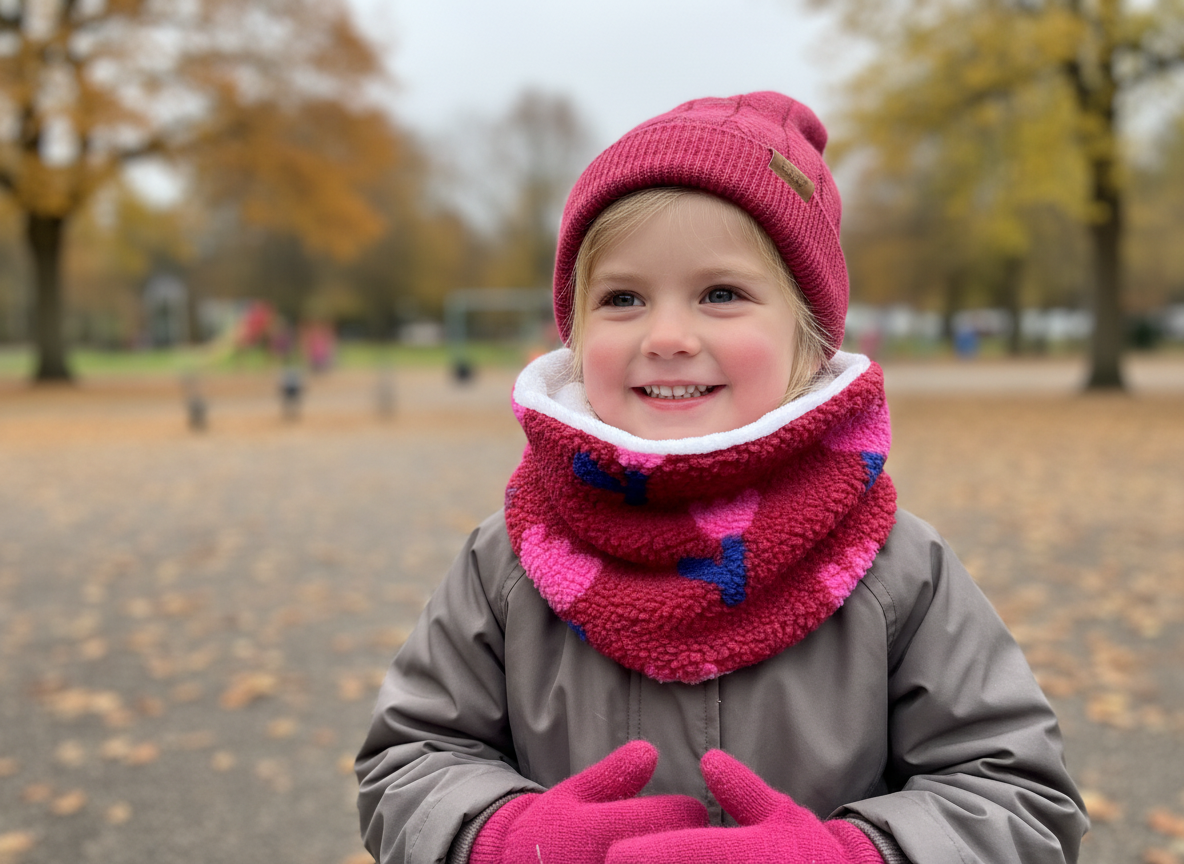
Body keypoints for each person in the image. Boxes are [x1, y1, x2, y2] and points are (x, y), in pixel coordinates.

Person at [355, 92, 1088, 864]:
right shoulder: (509, 558)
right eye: (623, 298)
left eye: (722, 294)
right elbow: (411, 756)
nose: (668, 336)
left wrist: (852, 857)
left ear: (805, 339)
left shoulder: (894, 566)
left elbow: (1018, 795)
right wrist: (499, 838)